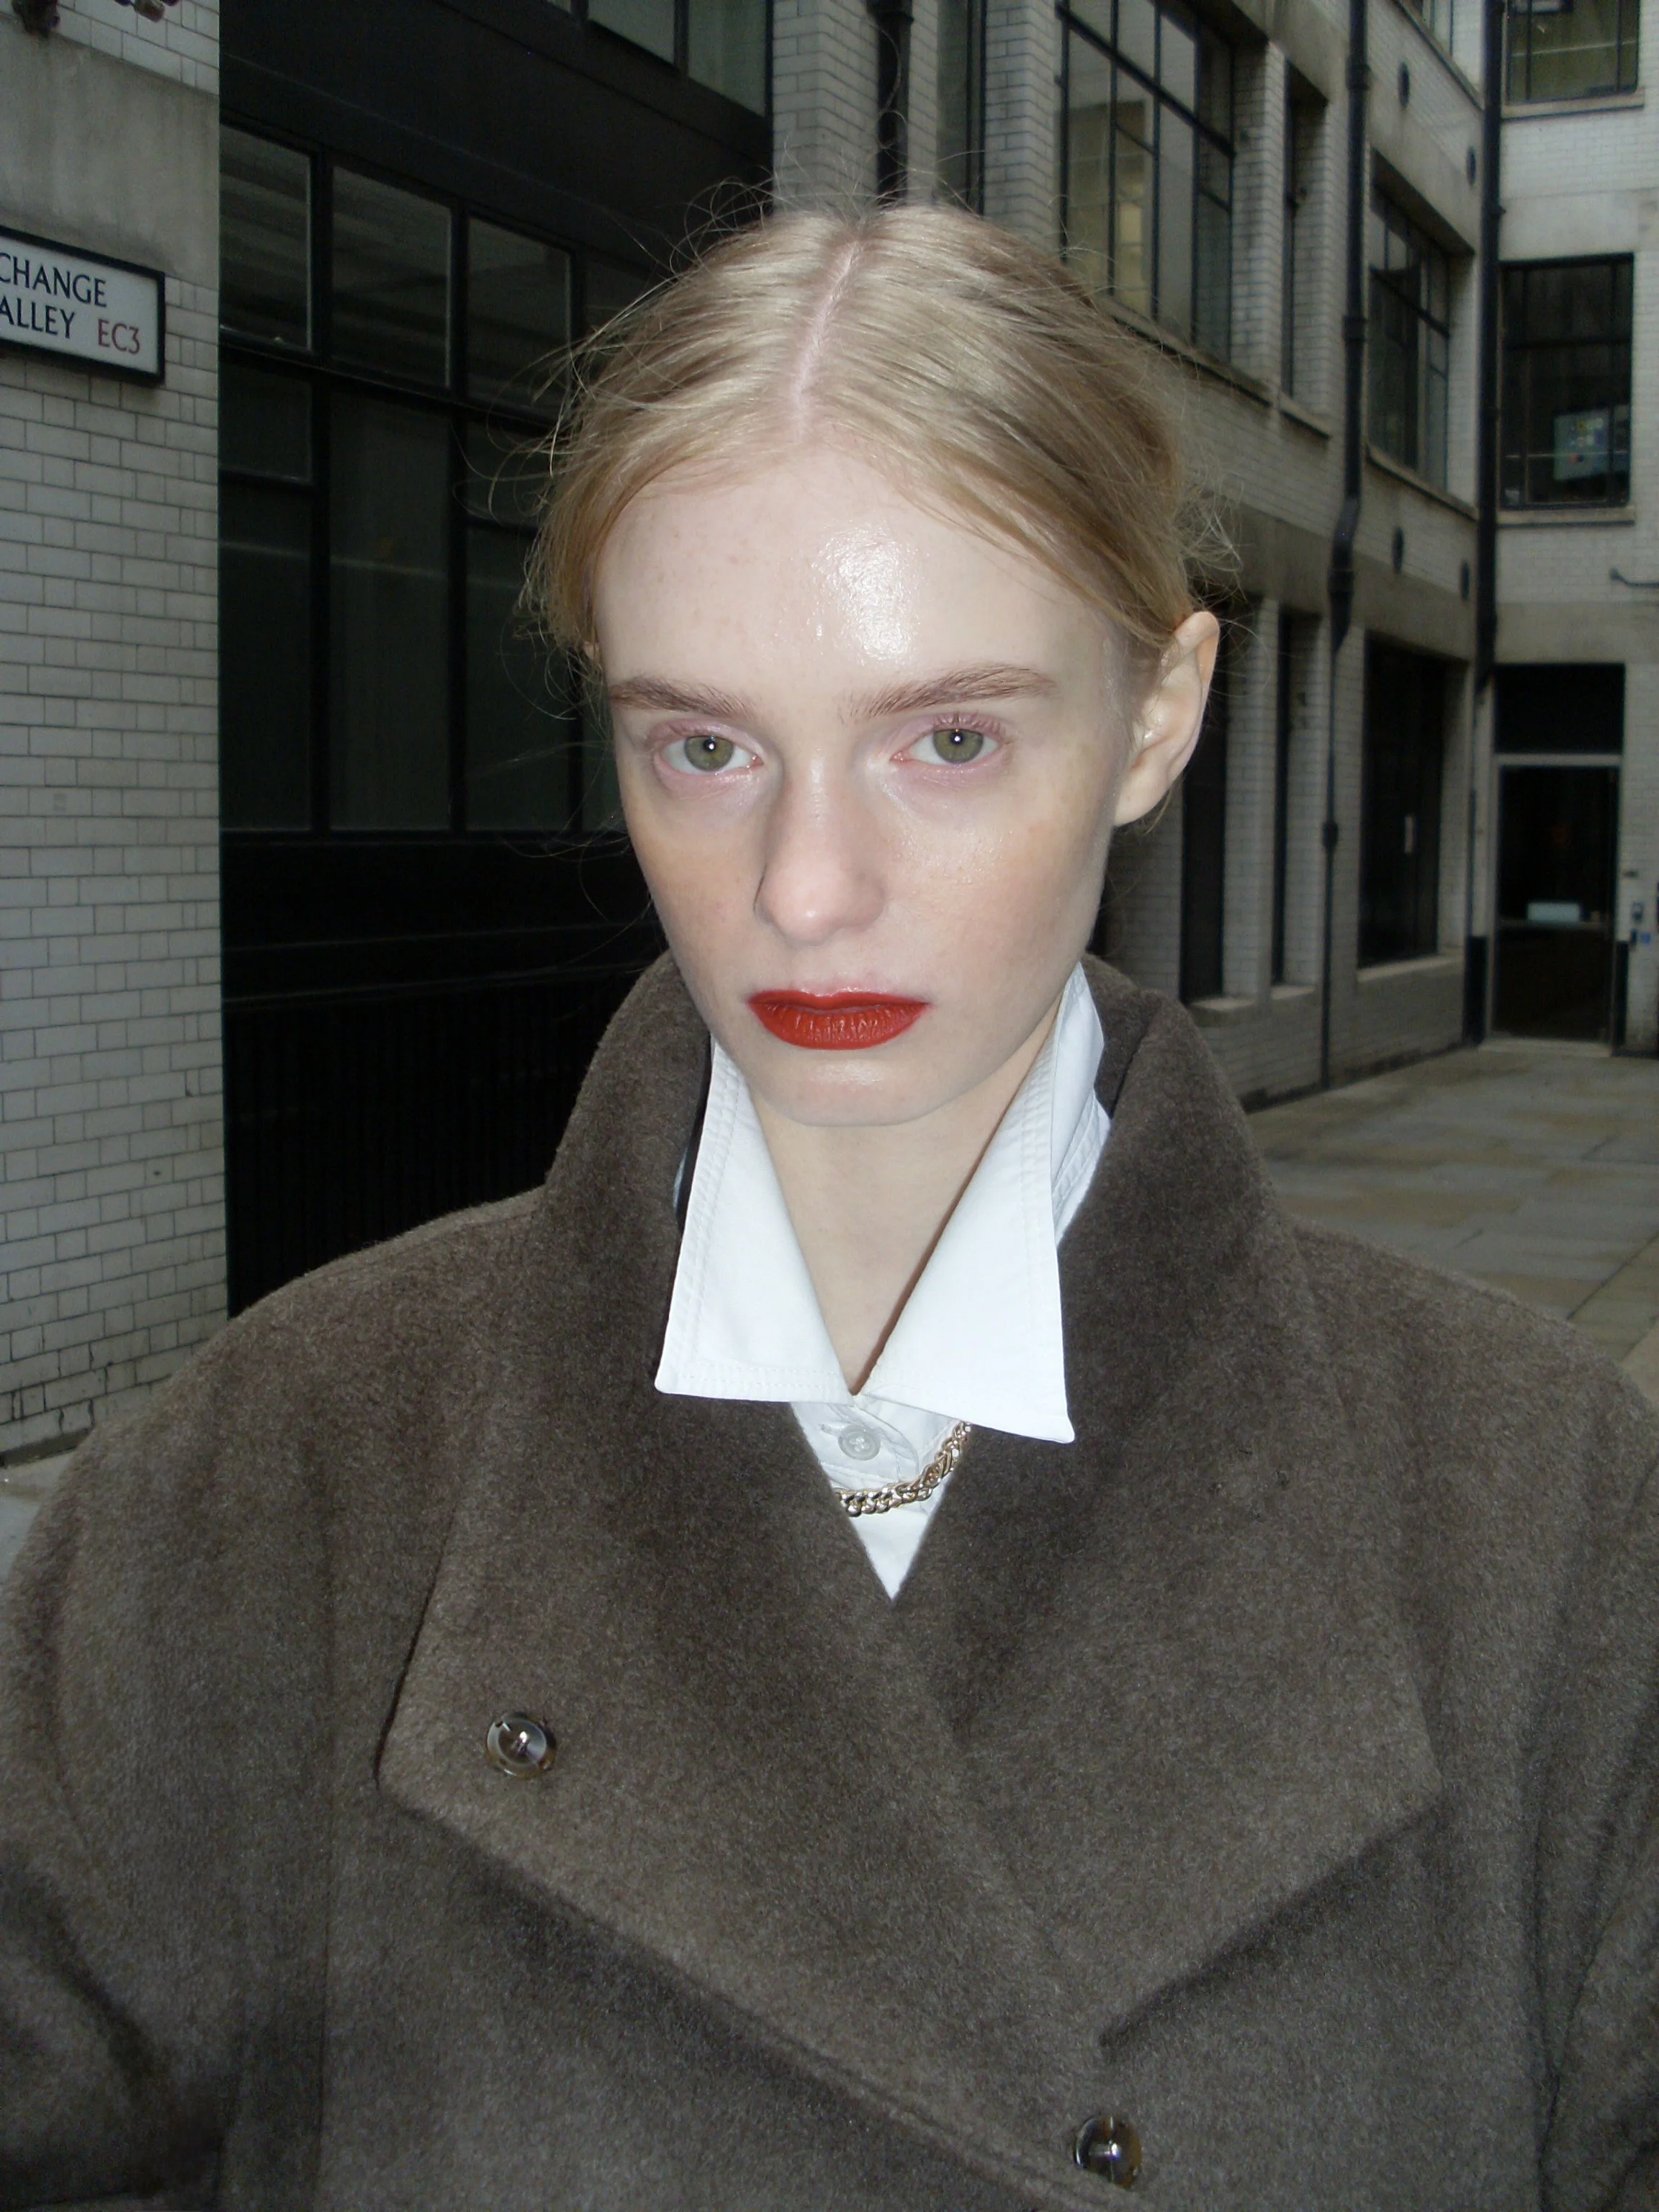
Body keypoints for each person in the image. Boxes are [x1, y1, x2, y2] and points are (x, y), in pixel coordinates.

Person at [1, 206, 1655, 2212]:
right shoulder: (280, 1472)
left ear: (1157, 714)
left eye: (947, 740)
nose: (801, 888)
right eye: (703, 747)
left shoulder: (1549, 1523)